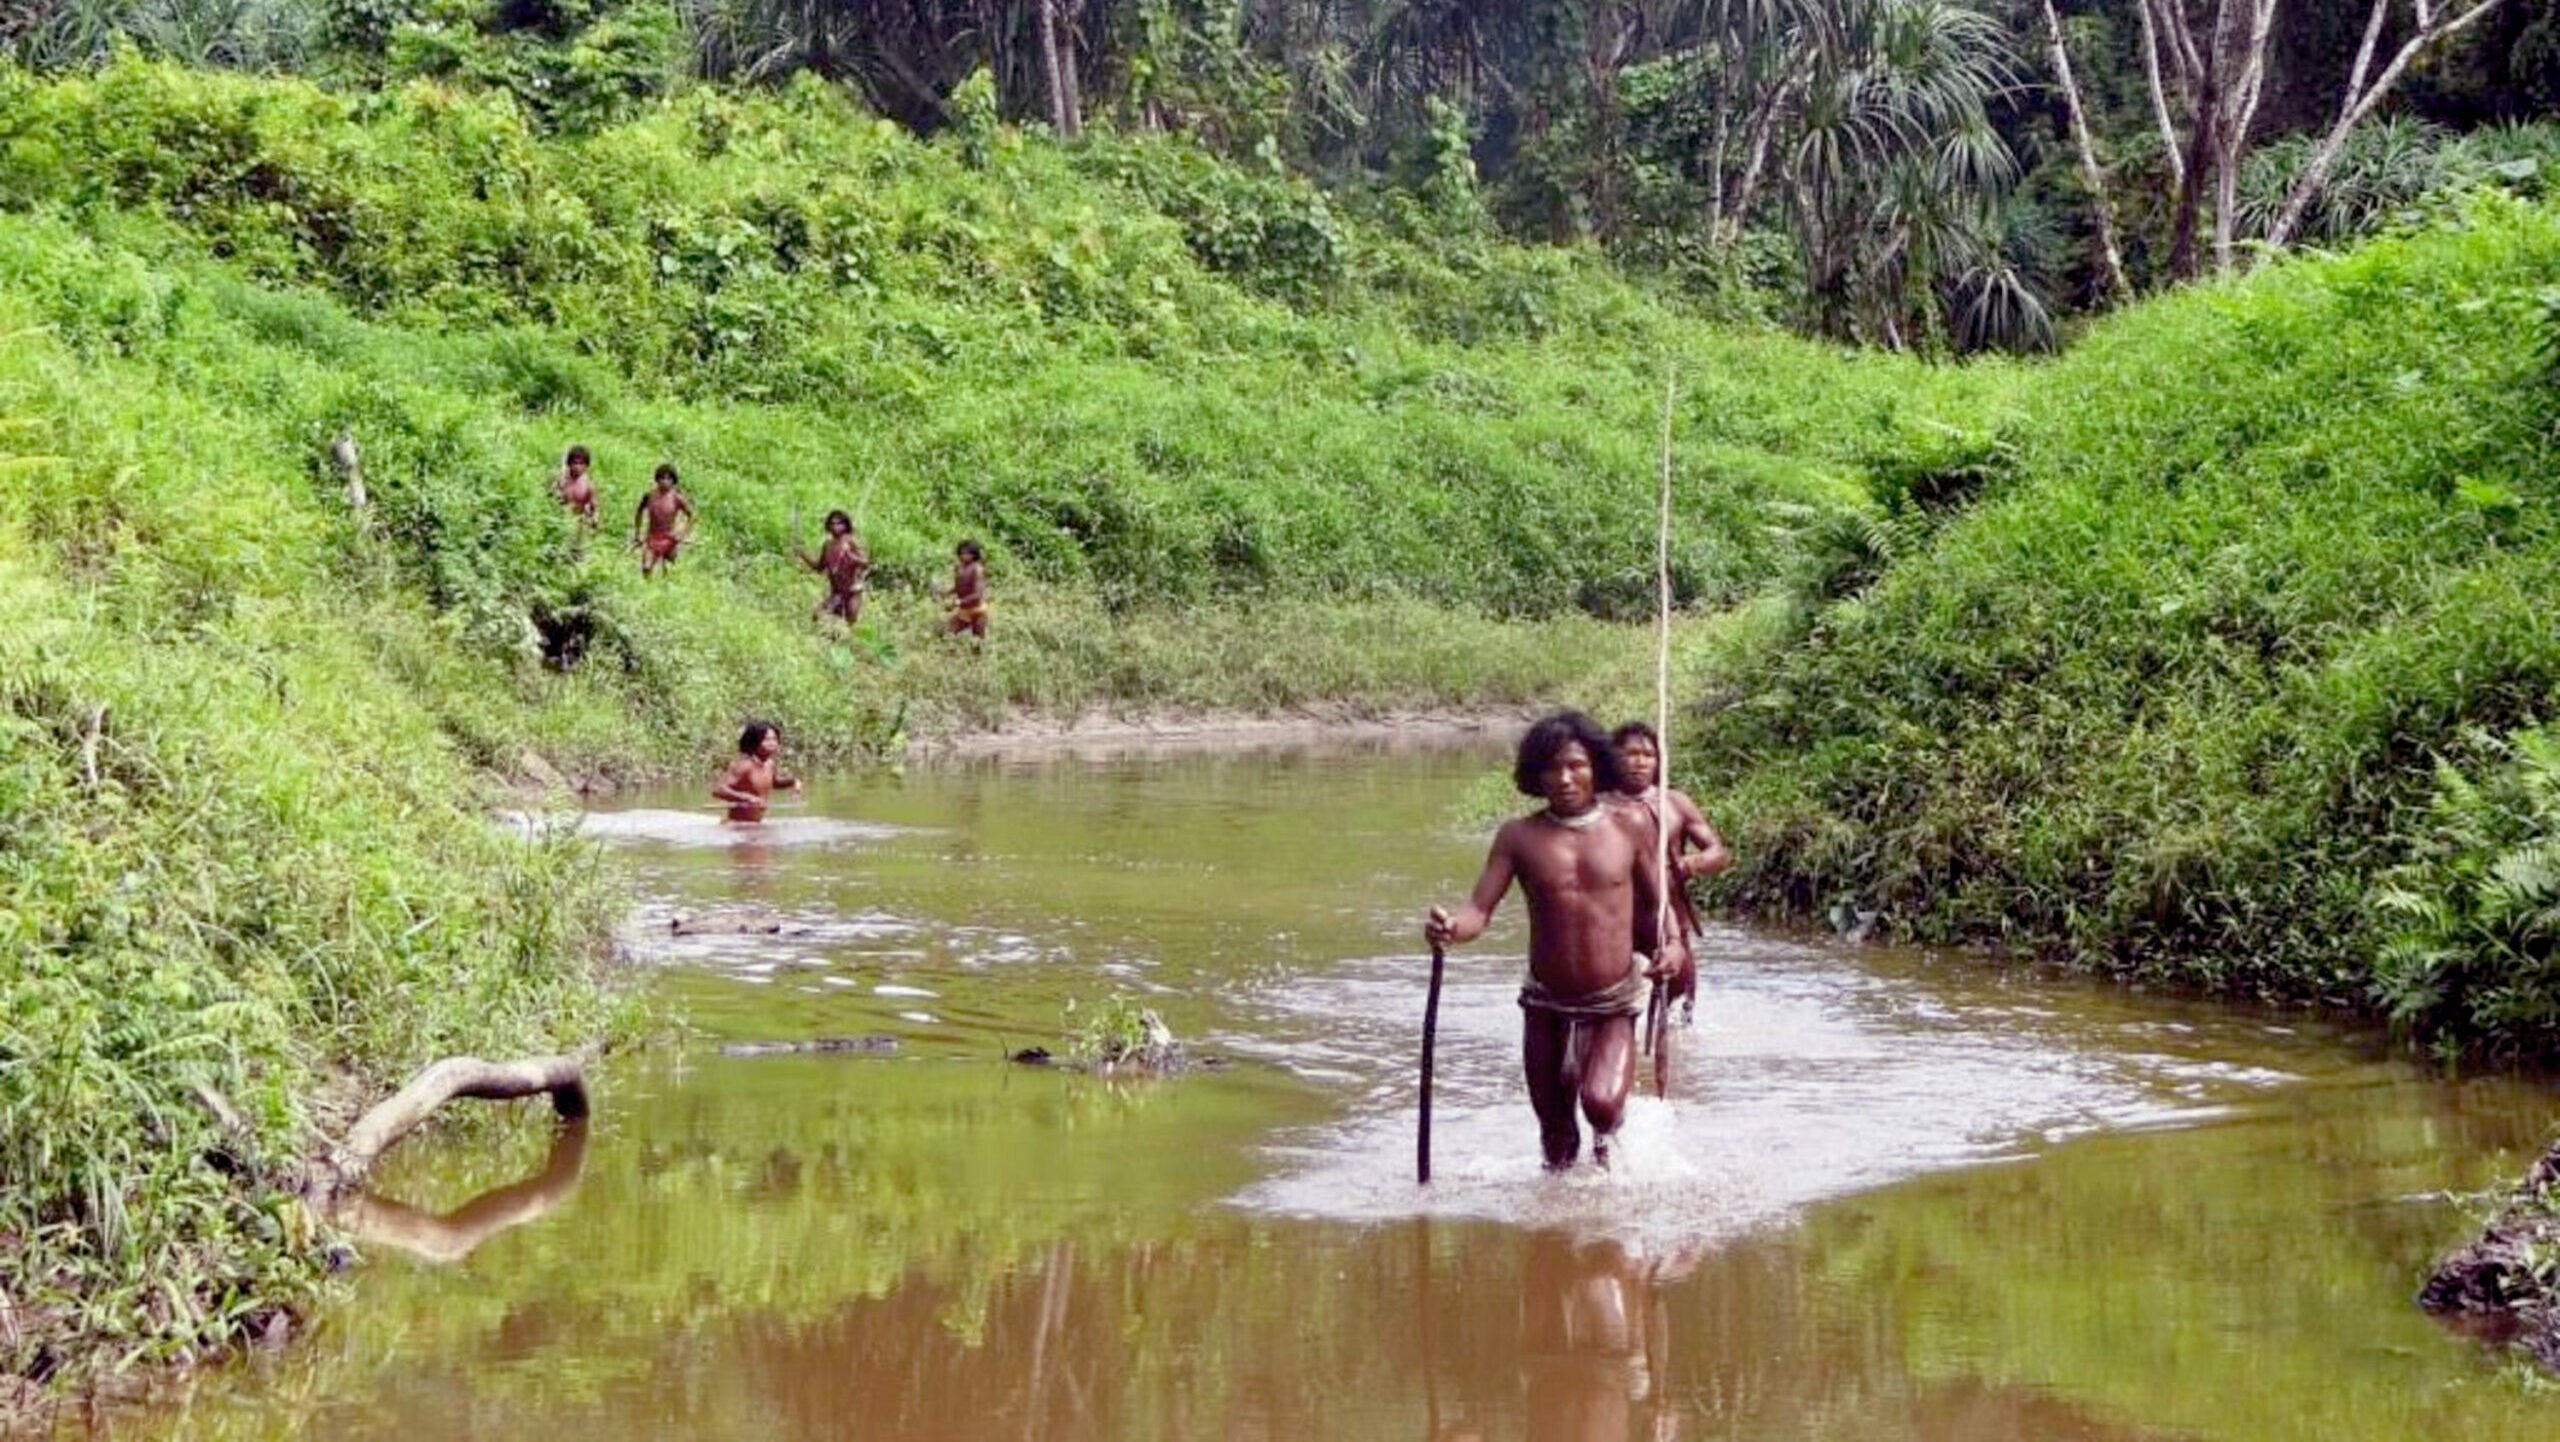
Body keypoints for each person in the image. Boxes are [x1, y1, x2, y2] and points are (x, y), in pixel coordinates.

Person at [1425, 712, 1684, 1171]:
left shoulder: (1629, 826)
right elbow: (1478, 911)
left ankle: (1609, 1160)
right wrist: (1451, 929)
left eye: (1576, 765)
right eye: (1552, 768)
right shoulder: (1518, 837)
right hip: (1544, 1001)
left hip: (1613, 999)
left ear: (1596, 768)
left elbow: (1656, 901)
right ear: (1535, 775)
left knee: (1601, 1104)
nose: (1564, 779)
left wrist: (1674, 943)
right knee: (1555, 1132)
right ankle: (1560, 1207)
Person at [1610, 721, 1731, 1024]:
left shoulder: (1675, 803)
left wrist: (1689, 864)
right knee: (1612, 1011)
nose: (1640, 762)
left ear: (1658, 760)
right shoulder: (1600, 806)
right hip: (1614, 923)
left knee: (1679, 1008)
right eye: (1631, 754)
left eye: (1648, 755)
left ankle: (1673, 1050)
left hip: (1668, 920)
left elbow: (1718, 853)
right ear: (1613, 758)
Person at [712, 720, 800, 824]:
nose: (772, 743)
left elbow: (773, 782)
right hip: (737, 826)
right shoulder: (745, 765)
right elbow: (718, 790)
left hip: (756, 825)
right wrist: (746, 798)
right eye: (767, 739)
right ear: (754, 742)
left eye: (774, 739)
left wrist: (793, 782)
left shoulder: (769, 764)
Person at [796, 509, 870, 627]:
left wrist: (852, 558)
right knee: (818, 616)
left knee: (850, 623)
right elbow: (820, 568)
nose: (835, 527)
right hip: (837, 592)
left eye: (839, 523)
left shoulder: (851, 542)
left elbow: (865, 562)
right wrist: (804, 556)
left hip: (852, 591)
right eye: (832, 523)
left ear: (845, 525)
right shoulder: (828, 545)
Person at [633, 463, 694, 577]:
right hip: (652, 537)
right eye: (662, 478)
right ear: (657, 479)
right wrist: (637, 534)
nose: (664, 481)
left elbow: (691, 515)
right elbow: (639, 513)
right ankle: (647, 586)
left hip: (669, 537)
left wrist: (683, 533)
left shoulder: (677, 498)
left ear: (673, 481)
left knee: (670, 569)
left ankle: (666, 584)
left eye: (668, 478)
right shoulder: (650, 496)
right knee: (646, 568)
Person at [944, 538, 988, 639]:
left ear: (974, 555)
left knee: (978, 640)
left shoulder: (977, 569)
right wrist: (947, 592)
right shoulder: (960, 568)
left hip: (977, 611)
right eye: (962, 553)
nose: (964, 556)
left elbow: (977, 595)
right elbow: (958, 586)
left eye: (967, 553)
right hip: (964, 610)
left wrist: (959, 602)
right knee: (947, 632)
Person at [553, 445, 598, 525]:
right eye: (575, 463)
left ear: (586, 466)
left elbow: (595, 509)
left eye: (581, 464)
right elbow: (552, 502)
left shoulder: (588, 486)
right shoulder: (561, 483)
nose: (578, 467)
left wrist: (593, 521)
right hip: (560, 522)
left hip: (580, 524)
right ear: (569, 464)